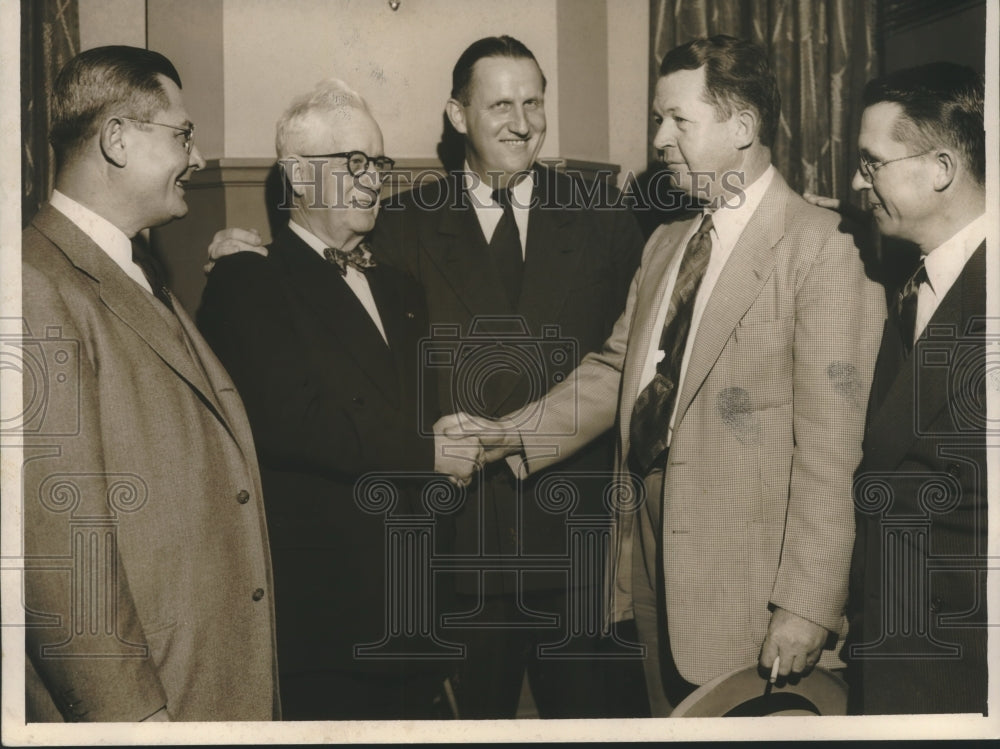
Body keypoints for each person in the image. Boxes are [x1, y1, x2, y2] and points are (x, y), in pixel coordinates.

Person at [443, 35, 887, 716]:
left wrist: (806, 605)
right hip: (648, 576)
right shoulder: (666, 242)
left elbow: (834, 455)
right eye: (658, 119)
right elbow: (618, 369)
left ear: (742, 128)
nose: (658, 140)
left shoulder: (823, 250)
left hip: (752, 594)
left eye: (678, 121)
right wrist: (511, 434)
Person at [207, 35, 648, 719]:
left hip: (576, 550)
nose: (522, 122)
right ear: (455, 113)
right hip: (454, 558)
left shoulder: (607, 218)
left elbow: (633, 359)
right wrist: (245, 250)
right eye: (500, 103)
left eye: (534, 102)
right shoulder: (400, 220)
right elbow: (322, 282)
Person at [197, 79, 477, 720]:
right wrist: (430, 452)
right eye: (352, 162)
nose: (373, 178)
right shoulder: (250, 279)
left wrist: (450, 444)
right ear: (296, 175)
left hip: (416, 610)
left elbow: (406, 418)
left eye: (378, 163)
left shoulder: (401, 287)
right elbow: (292, 423)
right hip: (326, 621)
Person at [21, 46, 278, 721]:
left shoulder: (138, 268)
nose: (197, 157)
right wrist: (130, 718)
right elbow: (60, 544)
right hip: (149, 707)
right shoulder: (32, 283)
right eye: (183, 134)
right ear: (116, 139)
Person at [842, 62, 988, 715]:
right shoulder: (914, 287)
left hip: (958, 670)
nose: (856, 183)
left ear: (940, 168)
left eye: (872, 164)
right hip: (894, 654)